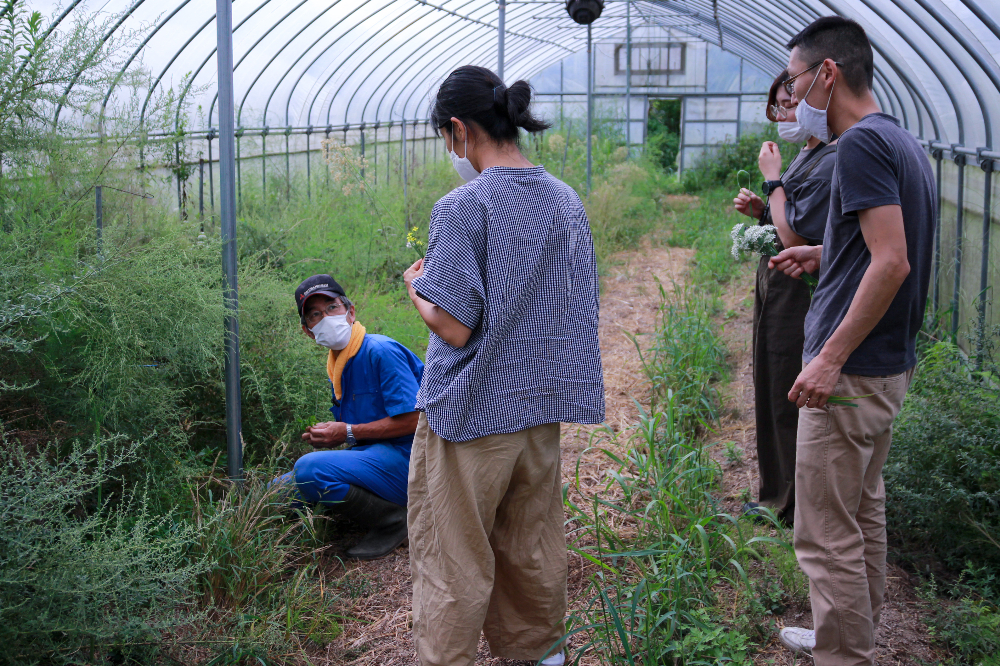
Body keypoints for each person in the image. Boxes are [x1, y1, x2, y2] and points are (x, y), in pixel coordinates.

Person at [401, 65, 604, 666]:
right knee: (532, 549)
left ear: (460, 130)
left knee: (452, 563)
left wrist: (419, 286)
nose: (449, 150)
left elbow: (455, 324)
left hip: (471, 418)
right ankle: (541, 656)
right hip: (540, 410)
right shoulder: (565, 199)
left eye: (445, 137)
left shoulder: (464, 205)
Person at [766, 17, 937, 665]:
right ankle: (848, 635)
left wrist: (830, 357)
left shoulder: (860, 146)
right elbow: (879, 245)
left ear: (828, 74)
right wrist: (822, 251)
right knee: (863, 509)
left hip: (851, 372)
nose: (793, 95)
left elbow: (892, 262)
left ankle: (844, 655)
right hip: (887, 367)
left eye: (796, 79)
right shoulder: (900, 139)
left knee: (825, 531)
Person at [733, 70, 837, 525]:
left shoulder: (832, 158)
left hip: (799, 292)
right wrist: (762, 208)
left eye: (789, 102)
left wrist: (773, 182)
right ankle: (777, 493)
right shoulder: (807, 154)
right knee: (771, 383)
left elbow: (796, 233)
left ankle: (791, 504)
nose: (783, 114)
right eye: (778, 106)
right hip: (778, 284)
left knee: (785, 389)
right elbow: (783, 221)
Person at [273, 274, 424, 560]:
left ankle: (393, 520)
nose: (326, 317)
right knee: (274, 493)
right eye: (315, 315)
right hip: (378, 459)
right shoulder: (339, 365)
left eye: (332, 308)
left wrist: (347, 432)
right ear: (308, 330)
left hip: (413, 462)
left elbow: (418, 420)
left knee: (308, 469)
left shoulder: (379, 351)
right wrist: (336, 436)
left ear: (350, 312)